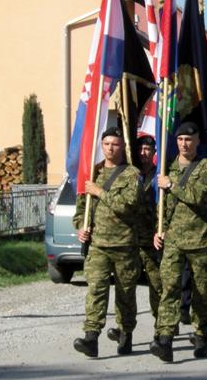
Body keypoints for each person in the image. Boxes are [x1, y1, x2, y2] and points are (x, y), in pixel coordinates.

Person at [151, 122, 207, 361]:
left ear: (197, 141)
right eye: (180, 139)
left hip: (199, 240)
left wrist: (171, 184)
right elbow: (165, 204)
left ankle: (201, 336)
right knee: (169, 288)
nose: (183, 144)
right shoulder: (168, 167)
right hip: (173, 241)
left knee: (201, 292)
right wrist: (159, 229)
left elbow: (199, 197)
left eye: (188, 140)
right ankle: (165, 339)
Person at [73, 127, 142, 358]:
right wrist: (80, 227)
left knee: (125, 293)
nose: (110, 148)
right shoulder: (92, 173)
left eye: (115, 144)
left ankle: (125, 333)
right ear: (101, 147)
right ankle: (91, 337)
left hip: (124, 245)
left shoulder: (131, 174)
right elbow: (81, 209)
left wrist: (100, 192)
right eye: (106, 144)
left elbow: (128, 204)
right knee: (96, 291)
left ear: (122, 147)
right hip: (98, 245)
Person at [107, 135, 161, 347]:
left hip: (152, 240)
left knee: (157, 287)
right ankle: (125, 331)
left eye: (148, 149)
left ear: (154, 152)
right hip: (129, 240)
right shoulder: (128, 175)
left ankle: (161, 329)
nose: (143, 153)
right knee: (125, 288)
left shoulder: (160, 174)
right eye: (140, 149)